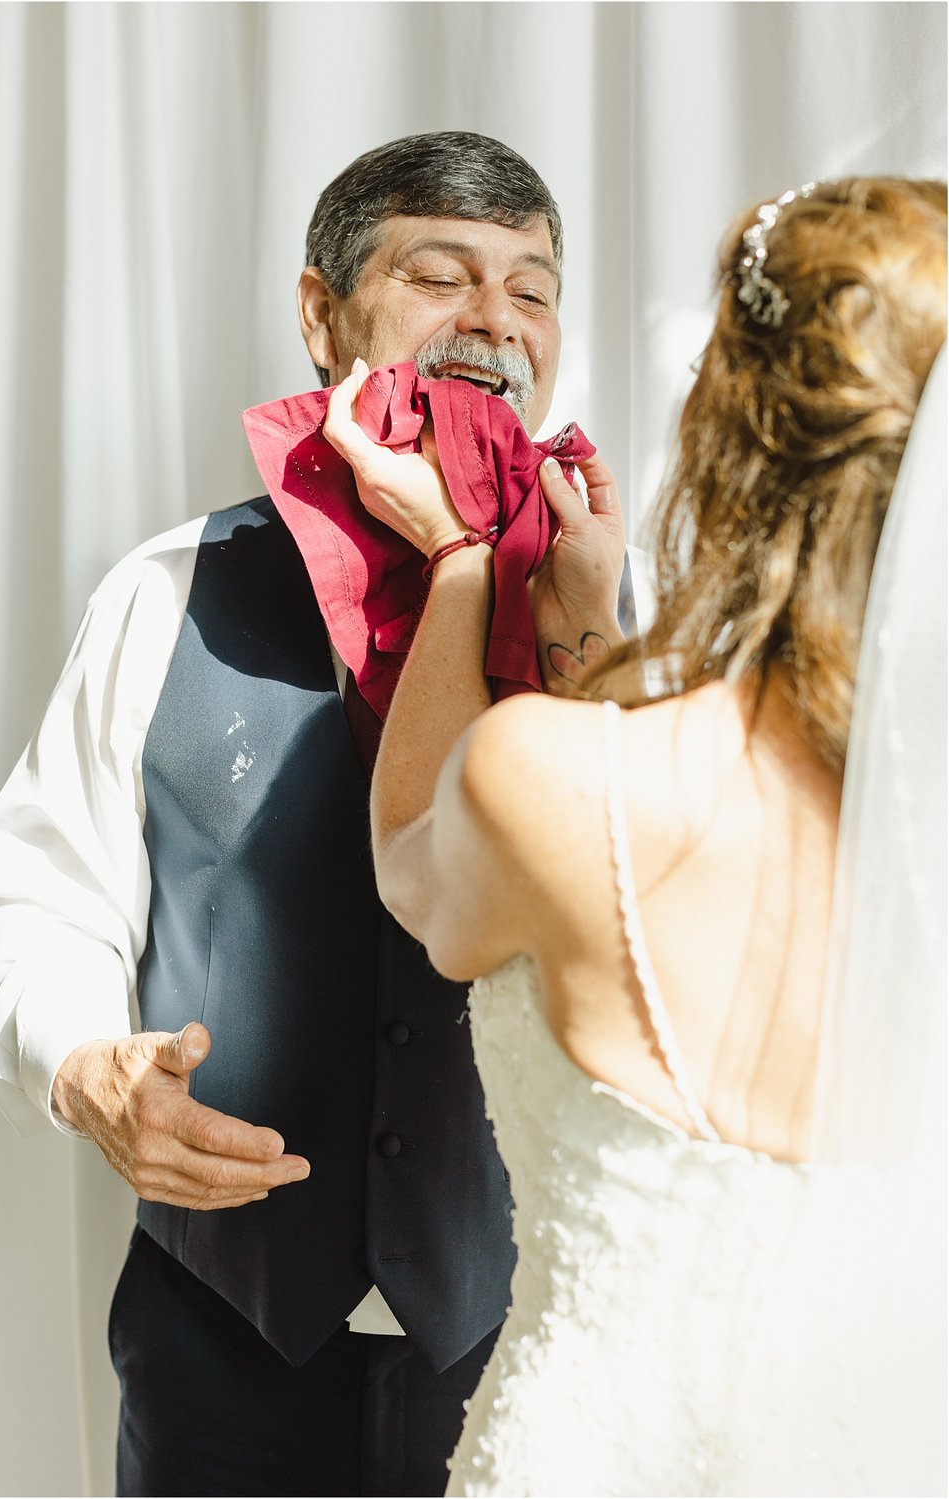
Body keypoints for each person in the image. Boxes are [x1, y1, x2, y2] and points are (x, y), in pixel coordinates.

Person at [0, 132, 640, 1498]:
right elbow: (38, 892)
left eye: (532, 288)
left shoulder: (632, 620)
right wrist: (84, 1060)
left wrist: (598, 641)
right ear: (322, 314)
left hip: (542, 1341)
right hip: (221, 1348)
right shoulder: (164, 592)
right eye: (440, 276)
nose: (494, 324)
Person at [323, 177, 947, 1495]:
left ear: (728, 441)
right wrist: (586, 627)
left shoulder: (556, 778)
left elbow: (418, 869)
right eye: (442, 277)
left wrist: (459, 570)